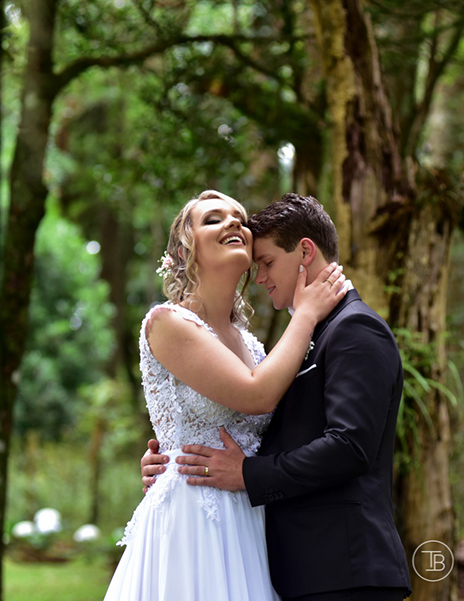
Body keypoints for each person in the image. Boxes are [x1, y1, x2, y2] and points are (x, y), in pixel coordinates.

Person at [141, 193, 413, 601]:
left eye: (266, 262)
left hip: (344, 567)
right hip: (226, 535)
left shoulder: (353, 329)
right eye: (214, 219)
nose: (261, 275)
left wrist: (248, 474)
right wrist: (171, 454)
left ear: (305, 252)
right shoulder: (289, 338)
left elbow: (349, 446)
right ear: (185, 249)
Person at [103, 190, 348, 601]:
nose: (234, 222)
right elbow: (257, 395)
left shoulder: (251, 345)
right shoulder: (168, 322)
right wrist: (306, 313)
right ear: (185, 251)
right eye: (213, 219)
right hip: (194, 519)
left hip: (251, 517)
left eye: (239, 218)